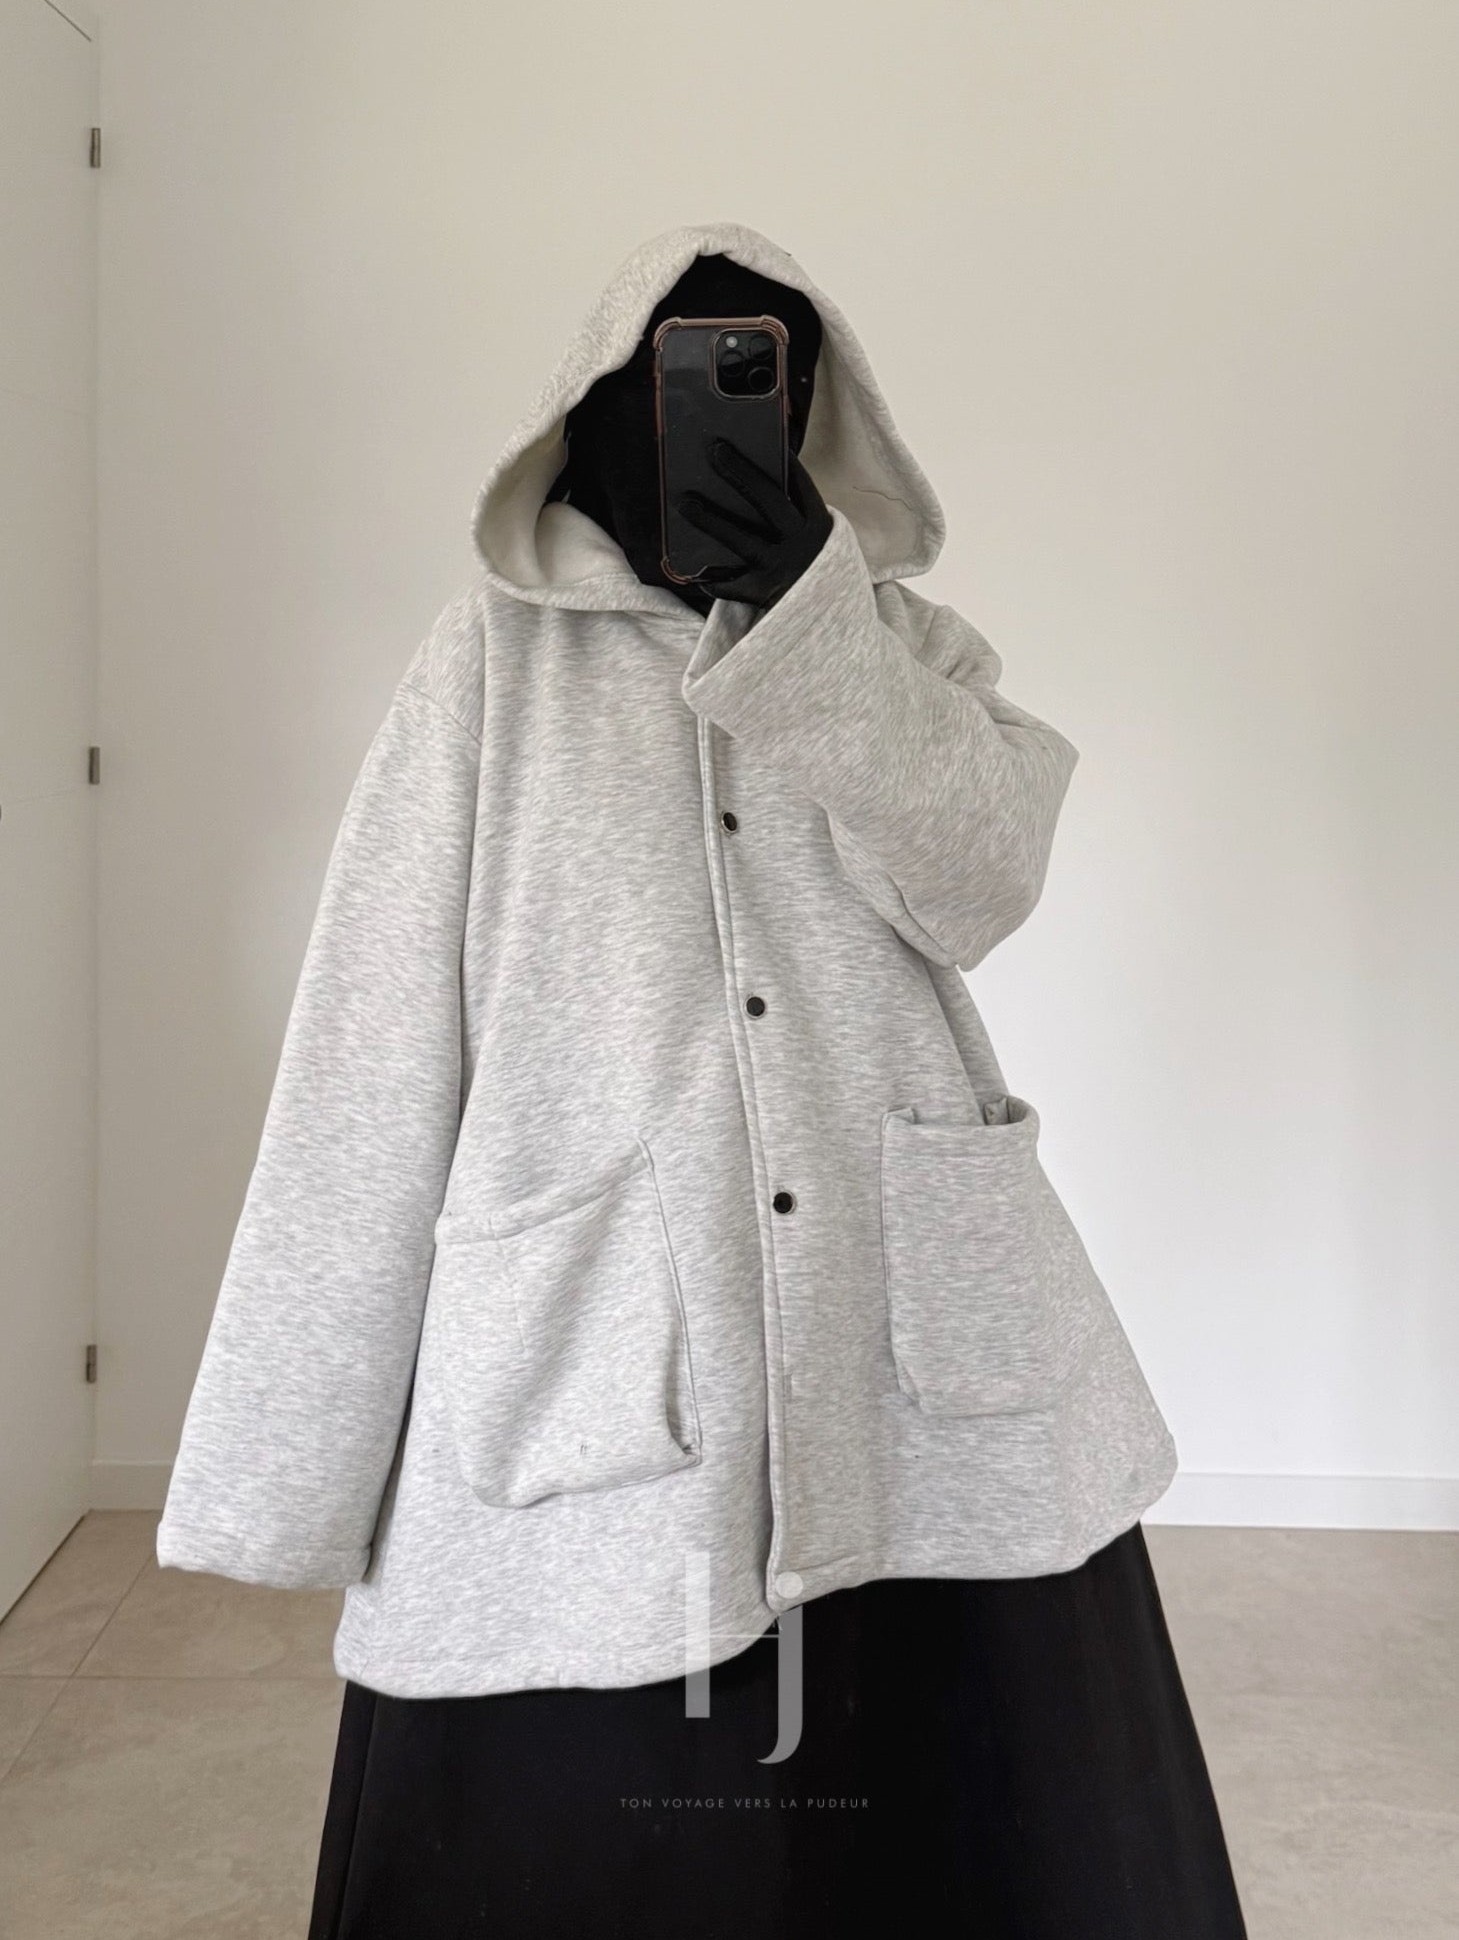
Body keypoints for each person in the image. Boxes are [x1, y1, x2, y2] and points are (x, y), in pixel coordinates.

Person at [157, 223, 1248, 1936]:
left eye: (765, 378)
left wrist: (813, 626)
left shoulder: (899, 648)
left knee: (982, 1819)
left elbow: (982, 884)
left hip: (911, 1331)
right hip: (601, 1359)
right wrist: (284, 1460)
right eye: (685, 374)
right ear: (604, 402)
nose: (724, 414)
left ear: (817, 415)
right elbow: (373, 1034)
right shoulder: (490, 668)